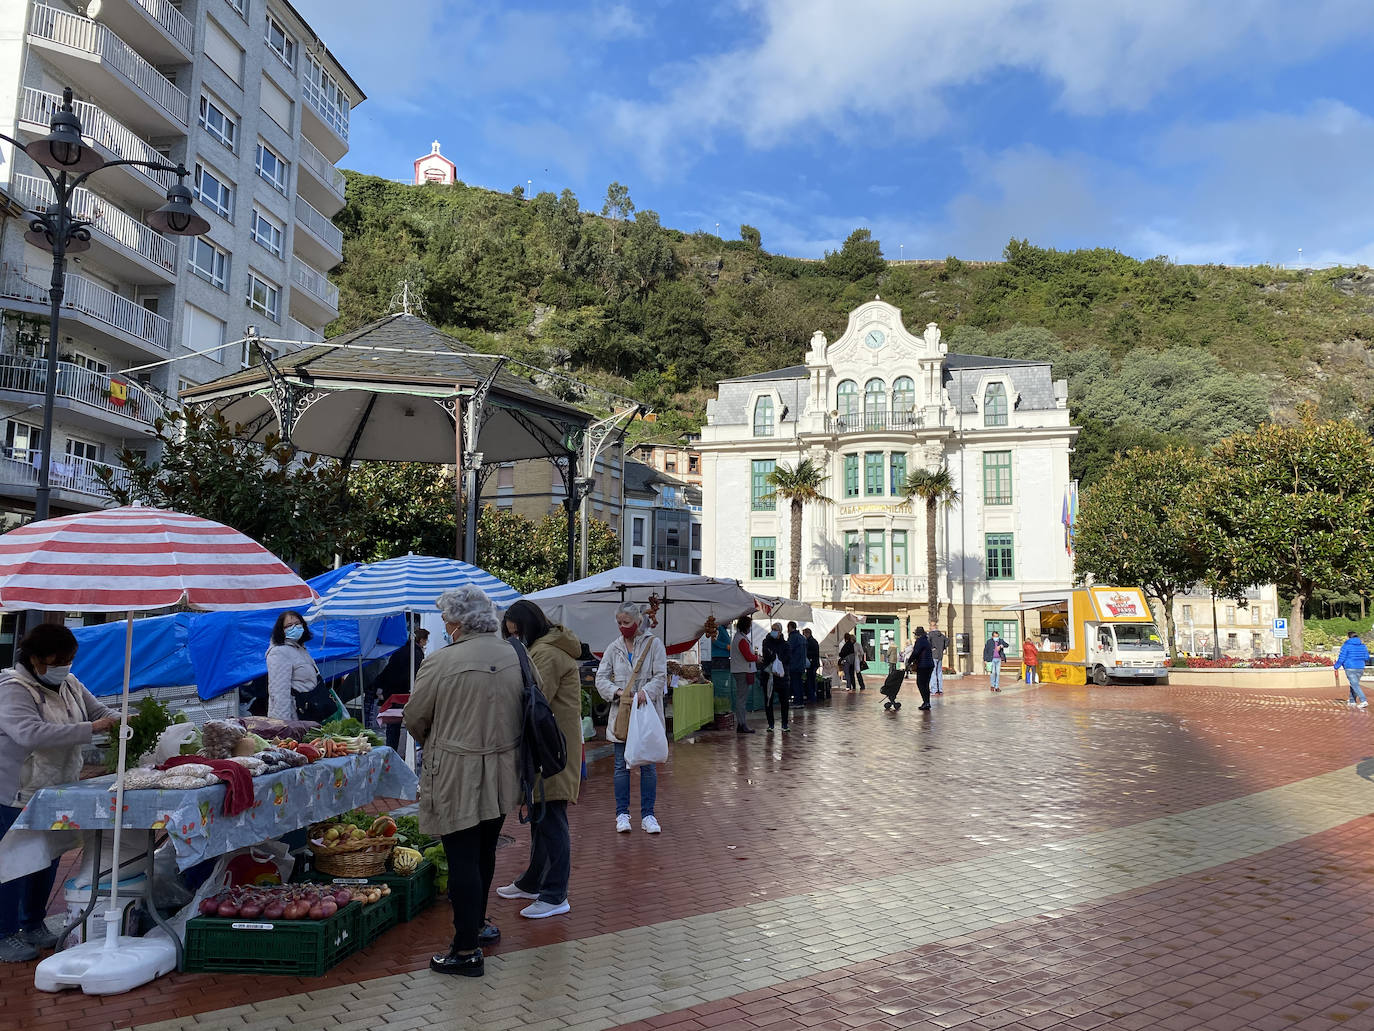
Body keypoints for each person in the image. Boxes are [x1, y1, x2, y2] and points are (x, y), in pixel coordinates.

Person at [405, 586, 523, 977]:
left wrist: (441, 741)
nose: (443, 623)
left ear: (458, 621)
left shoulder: (441, 662)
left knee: (461, 858)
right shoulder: (514, 654)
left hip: (456, 771)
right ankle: (477, 925)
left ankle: (466, 948)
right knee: (485, 852)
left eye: (445, 617)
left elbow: (415, 718)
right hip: (504, 770)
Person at [0, 624, 120, 963]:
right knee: (11, 862)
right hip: (16, 789)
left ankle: (33, 923)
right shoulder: (12, 688)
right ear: (37, 659)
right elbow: (29, 733)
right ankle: (3, 932)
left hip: (59, 787)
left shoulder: (68, 683)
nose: (66, 665)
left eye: (70, 659)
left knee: (47, 857)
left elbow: (98, 712)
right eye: (60, 659)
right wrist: (91, 729)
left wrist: (119, 720)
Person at [496, 600, 582, 920]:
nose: (514, 639)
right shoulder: (546, 647)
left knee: (552, 819)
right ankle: (533, 881)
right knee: (541, 817)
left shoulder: (546, 653)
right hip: (550, 747)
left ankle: (556, 893)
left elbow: (530, 695)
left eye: (517, 633)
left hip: (551, 750)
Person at [595, 601, 668, 834]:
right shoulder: (613, 647)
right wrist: (616, 692)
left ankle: (648, 815)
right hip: (622, 714)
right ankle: (622, 814)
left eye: (626, 622)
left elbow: (661, 674)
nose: (622, 627)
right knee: (620, 765)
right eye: (619, 623)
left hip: (646, 713)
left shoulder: (654, 644)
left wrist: (647, 692)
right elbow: (601, 678)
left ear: (637, 621)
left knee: (647, 766)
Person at [266, 610, 328, 722]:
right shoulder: (279, 652)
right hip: (295, 717)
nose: (295, 627)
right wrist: (283, 725)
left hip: (311, 713)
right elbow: (279, 691)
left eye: (298, 624)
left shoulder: (300, 649)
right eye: (289, 625)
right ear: (281, 630)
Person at [373, 627, 428, 747]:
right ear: (422, 640)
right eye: (426, 640)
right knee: (410, 721)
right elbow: (417, 674)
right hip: (403, 693)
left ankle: (391, 749)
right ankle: (405, 750)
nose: (426, 643)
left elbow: (389, 670)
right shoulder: (416, 653)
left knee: (393, 724)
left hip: (391, 691)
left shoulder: (400, 650)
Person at [728, 615, 758, 735]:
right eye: (749, 626)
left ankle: (742, 723)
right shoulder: (741, 639)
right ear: (746, 626)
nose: (750, 628)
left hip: (740, 670)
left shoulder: (740, 637)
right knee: (741, 699)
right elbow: (748, 656)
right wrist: (757, 658)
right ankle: (742, 724)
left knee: (741, 699)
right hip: (742, 671)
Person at [761, 622, 790, 732]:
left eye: (776, 629)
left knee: (784, 702)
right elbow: (767, 655)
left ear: (780, 631)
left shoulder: (786, 644)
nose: (773, 631)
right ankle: (771, 724)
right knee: (769, 700)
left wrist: (777, 660)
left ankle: (785, 724)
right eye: (772, 629)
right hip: (769, 677)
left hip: (782, 677)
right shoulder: (766, 642)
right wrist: (775, 657)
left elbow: (787, 658)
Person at [1334, 629, 1369, 708]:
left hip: (1350, 667)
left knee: (1354, 684)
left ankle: (1363, 700)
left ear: (1349, 637)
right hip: (1360, 667)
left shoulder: (1346, 646)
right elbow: (1367, 657)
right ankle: (1352, 700)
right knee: (1354, 684)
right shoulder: (1363, 646)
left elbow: (1342, 657)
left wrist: (1336, 666)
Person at [906, 626, 935, 710]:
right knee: (925, 684)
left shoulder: (920, 641)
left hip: (923, 665)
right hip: (929, 665)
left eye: (915, 634)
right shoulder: (926, 640)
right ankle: (927, 702)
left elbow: (915, 652)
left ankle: (926, 702)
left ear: (918, 634)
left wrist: (909, 661)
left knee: (921, 683)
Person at [787, 622, 807, 706]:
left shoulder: (793, 637)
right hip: (801, 664)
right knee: (799, 683)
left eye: (788, 627)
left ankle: (797, 701)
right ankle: (800, 701)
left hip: (794, 664)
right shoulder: (802, 638)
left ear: (791, 627)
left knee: (795, 683)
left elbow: (789, 650)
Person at [803, 628, 821, 703]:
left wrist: (806, 653)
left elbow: (813, 652)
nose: (804, 636)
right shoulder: (813, 641)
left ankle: (812, 697)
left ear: (807, 633)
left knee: (810, 680)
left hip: (812, 663)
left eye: (804, 634)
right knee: (811, 679)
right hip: (814, 663)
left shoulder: (810, 642)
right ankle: (812, 696)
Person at [928, 627, 948, 695]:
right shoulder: (942, 635)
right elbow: (948, 640)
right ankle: (940, 689)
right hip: (940, 655)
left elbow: (927, 642)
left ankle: (934, 689)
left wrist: (931, 648)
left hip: (933, 655)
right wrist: (943, 648)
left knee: (933, 672)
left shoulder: (931, 634)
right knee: (939, 672)